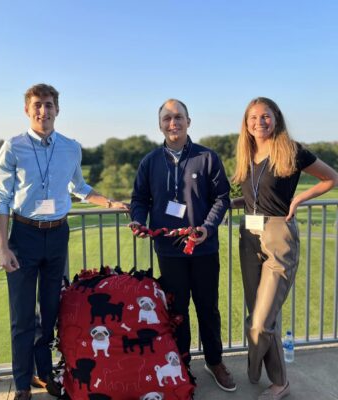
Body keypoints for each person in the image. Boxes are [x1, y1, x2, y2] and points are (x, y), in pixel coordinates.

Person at [0, 83, 127, 400]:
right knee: (22, 317)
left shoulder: (71, 147)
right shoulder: (13, 147)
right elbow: (0, 199)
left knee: (50, 311)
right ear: (27, 110)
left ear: (57, 110)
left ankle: (43, 374)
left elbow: (80, 187)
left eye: (49, 104)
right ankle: (23, 384)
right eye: (37, 105)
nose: (43, 110)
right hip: (23, 236)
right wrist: (2, 246)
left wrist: (109, 203)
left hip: (57, 235)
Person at [232, 97, 338, 400]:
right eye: (252, 117)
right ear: (246, 123)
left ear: (275, 118)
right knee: (262, 315)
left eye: (265, 116)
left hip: (279, 236)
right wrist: (229, 204)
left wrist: (298, 199)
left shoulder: (291, 150)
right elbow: (253, 198)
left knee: (262, 321)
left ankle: (254, 368)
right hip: (249, 235)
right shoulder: (247, 153)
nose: (259, 122)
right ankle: (280, 382)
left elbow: (331, 178)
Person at [130, 99, 236, 392]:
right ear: (159, 124)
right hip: (168, 250)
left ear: (189, 121)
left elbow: (222, 198)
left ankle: (215, 361)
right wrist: (139, 220)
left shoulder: (207, 157)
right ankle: (181, 364)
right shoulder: (150, 161)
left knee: (207, 308)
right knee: (177, 310)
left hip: (203, 248)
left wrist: (207, 227)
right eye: (167, 118)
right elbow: (139, 199)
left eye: (178, 117)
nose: (173, 123)